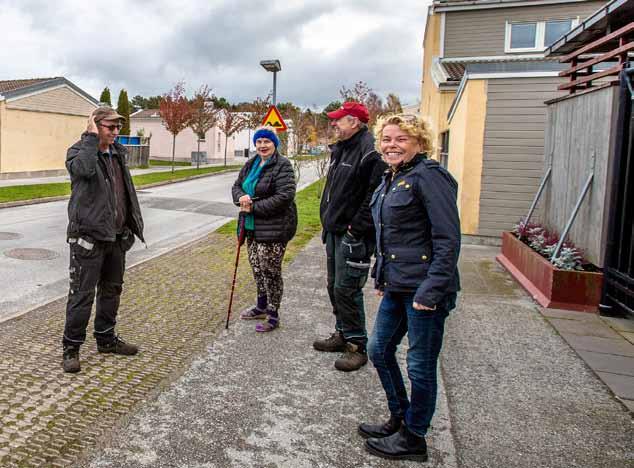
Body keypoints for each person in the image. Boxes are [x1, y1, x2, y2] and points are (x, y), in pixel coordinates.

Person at [360, 114, 460, 462]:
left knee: (419, 366)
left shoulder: (430, 178)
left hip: (424, 293)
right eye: (386, 139)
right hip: (397, 287)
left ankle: (414, 438)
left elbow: (447, 239)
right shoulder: (392, 179)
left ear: (419, 142)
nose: (392, 145)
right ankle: (400, 417)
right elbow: (388, 236)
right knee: (379, 349)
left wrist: (431, 292)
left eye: (401, 138)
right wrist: (381, 278)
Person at [62, 107, 145, 373]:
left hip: (116, 237)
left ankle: (106, 339)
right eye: (109, 127)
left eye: (117, 127)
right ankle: (71, 348)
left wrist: (130, 228)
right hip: (87, 238)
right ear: (95, 127)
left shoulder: (118, 154)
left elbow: (123, 192)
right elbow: (83, 171)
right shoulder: (79, 152)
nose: (115, 132)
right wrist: (89, 137)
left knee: (111, 291)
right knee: (81, 295)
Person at [313, 102, 387, 372]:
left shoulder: (370, 152)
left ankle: (357, 345)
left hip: (352, 235)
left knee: (347, 288)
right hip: (334, 231)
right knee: (334, 286)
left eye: (339, 120)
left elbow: (373, 195)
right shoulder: (342, 149)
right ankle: (342, 333)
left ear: (354, 122)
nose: (334, 124)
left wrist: (356, 228)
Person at [232, 126, 297, 332]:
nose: (262, 145)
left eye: (266, 142)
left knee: (271, 271)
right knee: (257, 268)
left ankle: (273, 314)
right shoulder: (251, 163)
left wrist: (254, 207)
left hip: (273, 228)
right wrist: (240, 197)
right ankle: (261, 306)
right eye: (259, 142)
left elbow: (285, 196)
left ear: (274, 144)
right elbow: (237, 186)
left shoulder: (282, 165)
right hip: (251, 227)